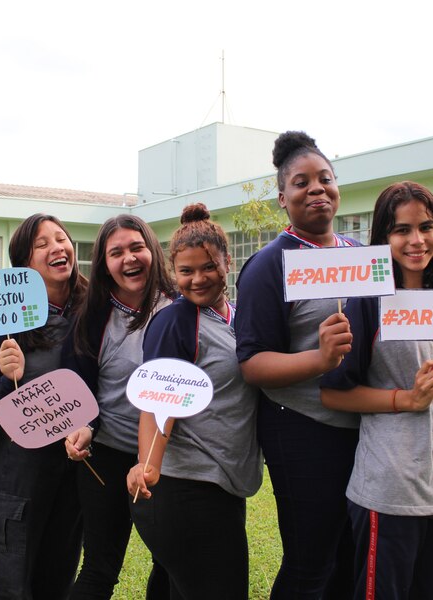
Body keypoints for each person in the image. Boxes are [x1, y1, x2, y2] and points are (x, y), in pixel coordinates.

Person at [320, 181, 433, 600]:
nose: (416, 240)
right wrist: (405, 399)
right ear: (383, 237)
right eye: (401, 230)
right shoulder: (368, 302)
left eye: (425, 227)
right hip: (386, 494)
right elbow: (332, 394)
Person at [234, 131, 361, 598]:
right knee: (311, 562)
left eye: (325, 178)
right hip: (302, 428)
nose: (316, 189)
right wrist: (319, 358)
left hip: (365, 425)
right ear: (282, 198)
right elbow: (251, 364)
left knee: (351, 556)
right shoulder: (270, 265)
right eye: (301, 182)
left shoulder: (361, 256)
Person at [127, 203, 263, 599]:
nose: (198, 279)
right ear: (173, 271)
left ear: (227, 262)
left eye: (208, 267)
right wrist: (147, 464)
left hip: (221, 487)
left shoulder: (237, 317)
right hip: (187, 488)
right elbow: (156, 401)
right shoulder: (176, 321)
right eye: (186, 271)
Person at [63, 214, 175, 599]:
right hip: (107, 457)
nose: (129, 258)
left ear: (152, 249)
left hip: (168, 458)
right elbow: (79, 387)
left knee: (171, 566)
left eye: (136, 247)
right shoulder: (91, 316)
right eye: (116, 253)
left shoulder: (179, 307)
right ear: (104, 264)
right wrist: (84, 427)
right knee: (99, 569)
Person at [0, 214, 88, 599]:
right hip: (21, 470)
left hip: (73, 468)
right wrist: (9, 376)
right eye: (41, 244)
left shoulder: (90, 307)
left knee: (58, 577)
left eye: (61, 238)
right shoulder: (8, 317)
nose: (57, 248)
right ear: (24, 263)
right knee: (11, 582)